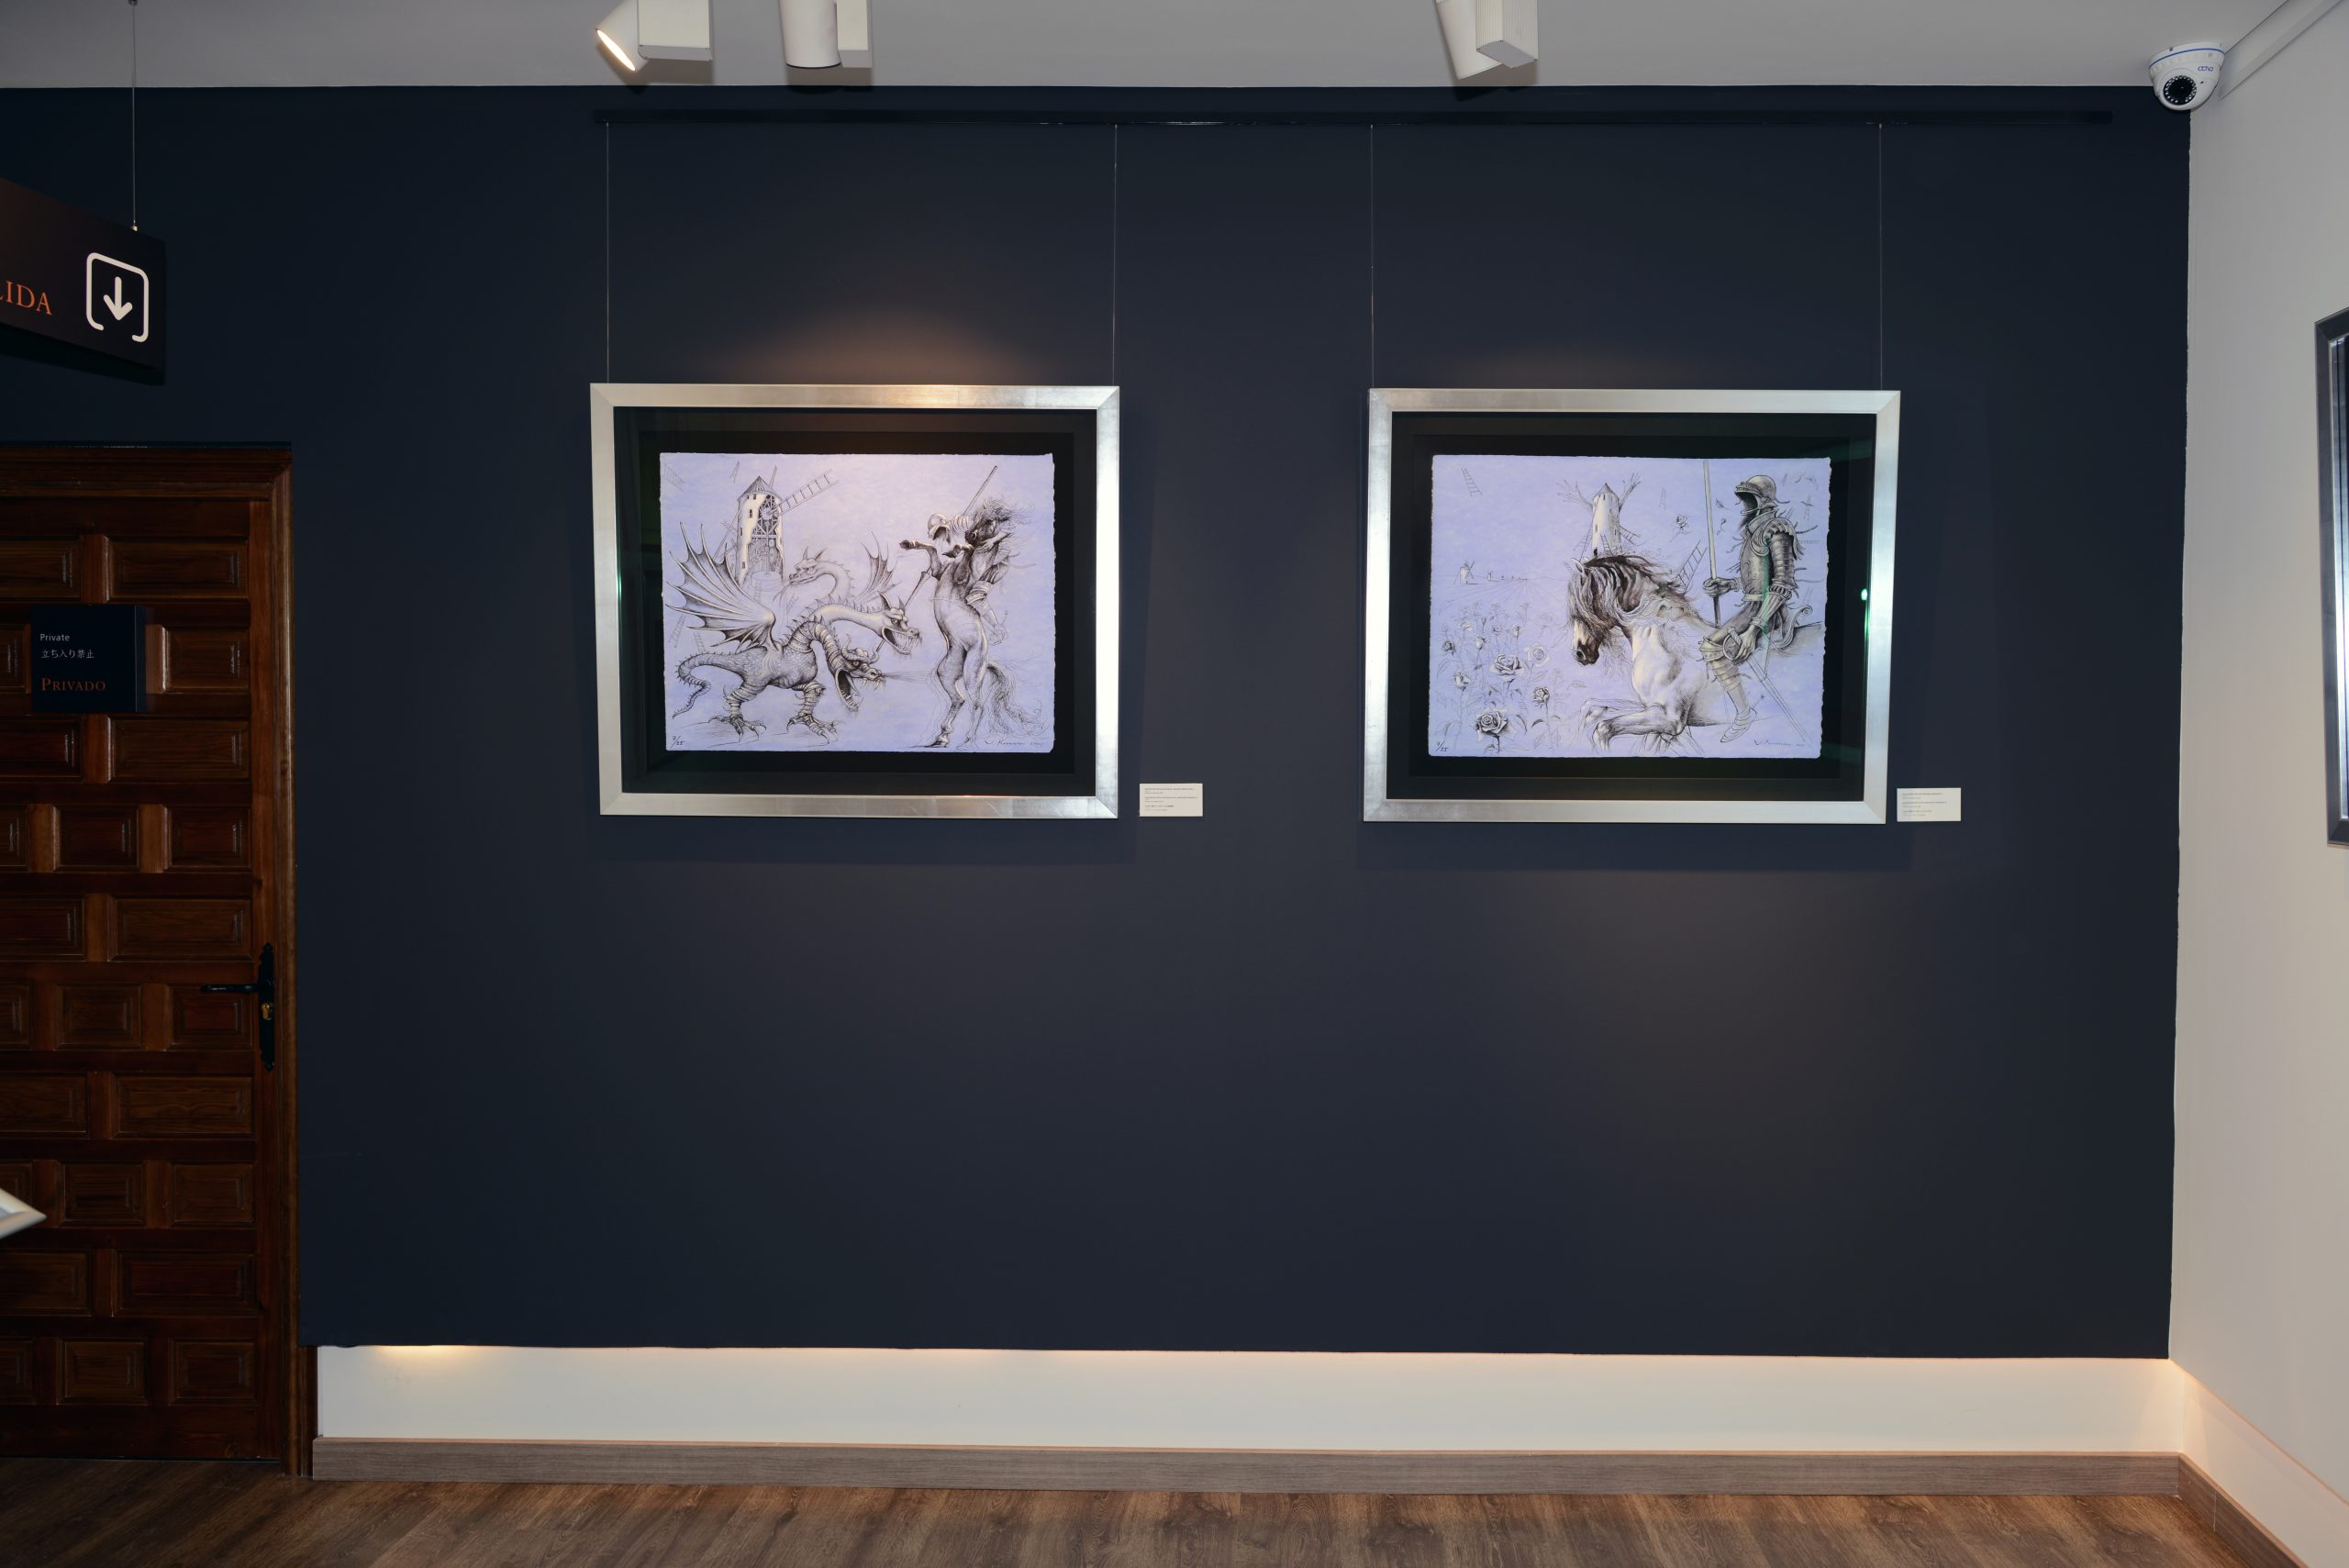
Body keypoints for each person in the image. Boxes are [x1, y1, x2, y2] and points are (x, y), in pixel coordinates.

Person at [1700, 473, 1800, 743]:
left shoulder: (1777, 530)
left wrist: (1754, 629)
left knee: (1712, 647)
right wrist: (1729, 584)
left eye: (1748, 498)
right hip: (1752, 605)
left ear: (1762, 501)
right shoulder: (1755, 532)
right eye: (1743, 499)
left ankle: (1744, 714)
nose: (1743, 505)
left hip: (1768, 611)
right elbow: (1757, 578)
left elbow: (1781, 585)